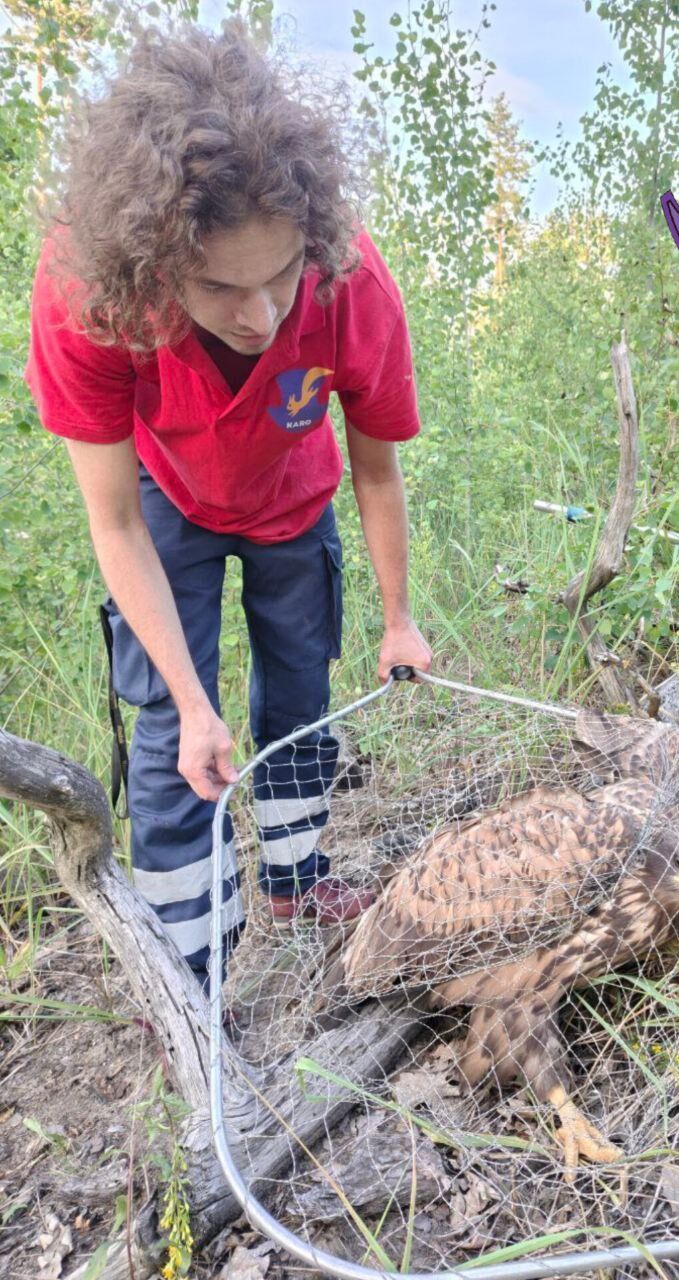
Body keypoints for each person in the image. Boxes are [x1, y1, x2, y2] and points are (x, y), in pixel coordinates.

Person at [25, 21, 433, 991]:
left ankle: (296, 879)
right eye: (218, 286)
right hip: (168, 507)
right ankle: (191, 965)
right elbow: (114, 523)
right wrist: (198, 699)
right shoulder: (88, 295)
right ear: (154, 264)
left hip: (296, 499)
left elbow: (377, 471)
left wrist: (399, 618)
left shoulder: (349, 282)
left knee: (299, 697)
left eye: (281, 275)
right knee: (177, 734)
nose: (261, 315)